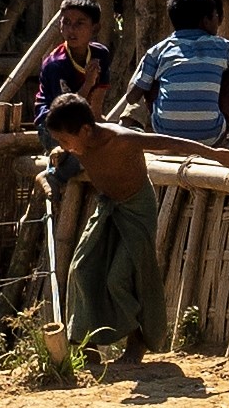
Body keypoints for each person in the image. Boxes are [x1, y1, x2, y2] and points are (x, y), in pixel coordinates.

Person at [41, 93, 169, 370]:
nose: (65, 147)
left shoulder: (120, 138)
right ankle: (87, 346)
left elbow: (167, 142)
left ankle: (137, 342)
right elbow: (55, 172)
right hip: (108, 207)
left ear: (85, 130)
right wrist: (55, 165)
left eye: (65, 140)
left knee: (121, 277)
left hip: (137, 209)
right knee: (81, 269)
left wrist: (216, 154)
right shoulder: (80, 148)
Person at [129, 0, 229, 143]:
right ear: (206, 20)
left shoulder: (159, 50)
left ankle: (170, 123)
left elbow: (131, 97)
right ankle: (219, 136)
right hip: (210, 136)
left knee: (153, 78)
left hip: (166, 135)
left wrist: (144, 64)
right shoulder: (223, 46)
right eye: (216, 16)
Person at [29, 0, 114, 128]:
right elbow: (66, 110)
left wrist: (99, 124)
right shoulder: (55, 64)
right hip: (53, 122)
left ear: (95, 29)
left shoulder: (100, 54)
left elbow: (96, 106)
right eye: (67, 22)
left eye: (79, 23)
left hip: (82, 120)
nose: (71, 29)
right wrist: (88, 83)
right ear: (60, 26)